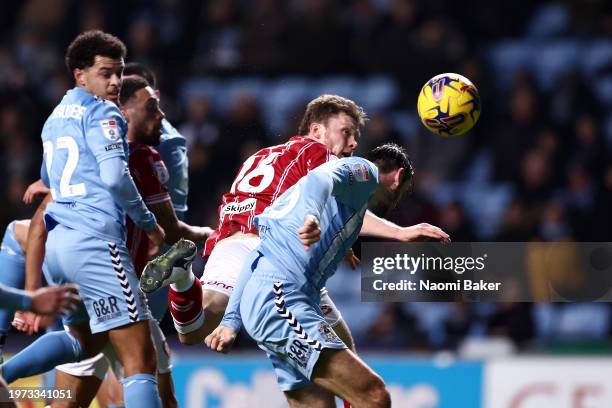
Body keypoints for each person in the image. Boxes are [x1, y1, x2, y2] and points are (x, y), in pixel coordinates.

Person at [0, 30, 165, 408]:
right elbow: (114, 177)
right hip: (95, 246)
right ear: (80, 75)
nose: (114, 83)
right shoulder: (104, 112)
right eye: (105, 73)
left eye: (118, 73)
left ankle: (4, 374)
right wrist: (147, 222)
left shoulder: (54, 118)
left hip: (59, 248)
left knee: (82, 339)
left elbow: (50, 181)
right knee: (140, 358)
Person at [204, 144, 440, 407]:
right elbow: (321, 178)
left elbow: (257, 256)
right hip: (281, 301)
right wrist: (311, 217)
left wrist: (231, 320)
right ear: (397, 178)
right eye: (404, 191)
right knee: (374, 395)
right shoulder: (365, 170)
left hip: (280, 300)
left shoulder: (345, 208)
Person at [50, 77, 211, 408]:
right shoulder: (143, 159)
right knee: (152, 390)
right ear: (122, 111)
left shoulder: (85, 158)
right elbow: (170, 228)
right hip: (119, 293)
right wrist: (212, 236)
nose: (160, 115)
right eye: (151, 107)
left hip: (88, 289)